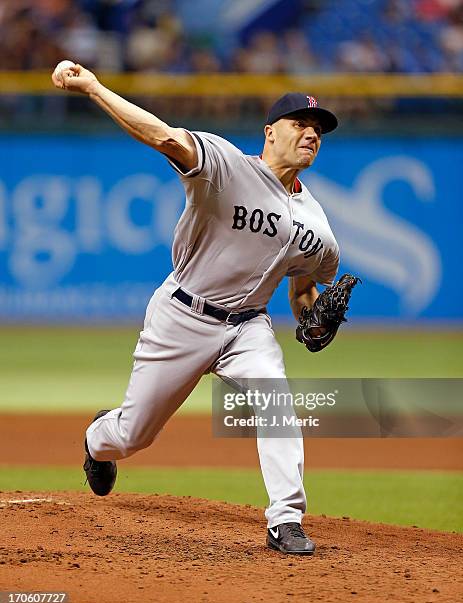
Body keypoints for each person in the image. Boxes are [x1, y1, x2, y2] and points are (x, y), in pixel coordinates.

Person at [52, 64, 340, 555]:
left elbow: (303, 289)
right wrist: (93, 87)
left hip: (248, 327)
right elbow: (164, 137)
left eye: (318, 129)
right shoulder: (226, 166)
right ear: (270, 133)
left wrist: (311, 319)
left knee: (277, 404)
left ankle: (285, 520)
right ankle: (99, 435)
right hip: (182, 316)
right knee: (129, 436)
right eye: (299, 123)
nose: (311, 132)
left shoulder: (320, 228)